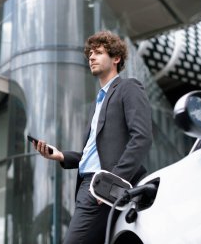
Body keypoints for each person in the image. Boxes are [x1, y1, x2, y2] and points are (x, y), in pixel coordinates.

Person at [33, 31, 153, 244]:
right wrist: (61, 155)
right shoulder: (97, 102)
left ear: (116, 58)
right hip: (87, 185)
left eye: (98, 52)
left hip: (102, 185)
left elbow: (142, 137)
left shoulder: (128, 87)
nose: (91, 57)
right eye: (89, 53)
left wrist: (110, 185)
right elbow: (92, 152)